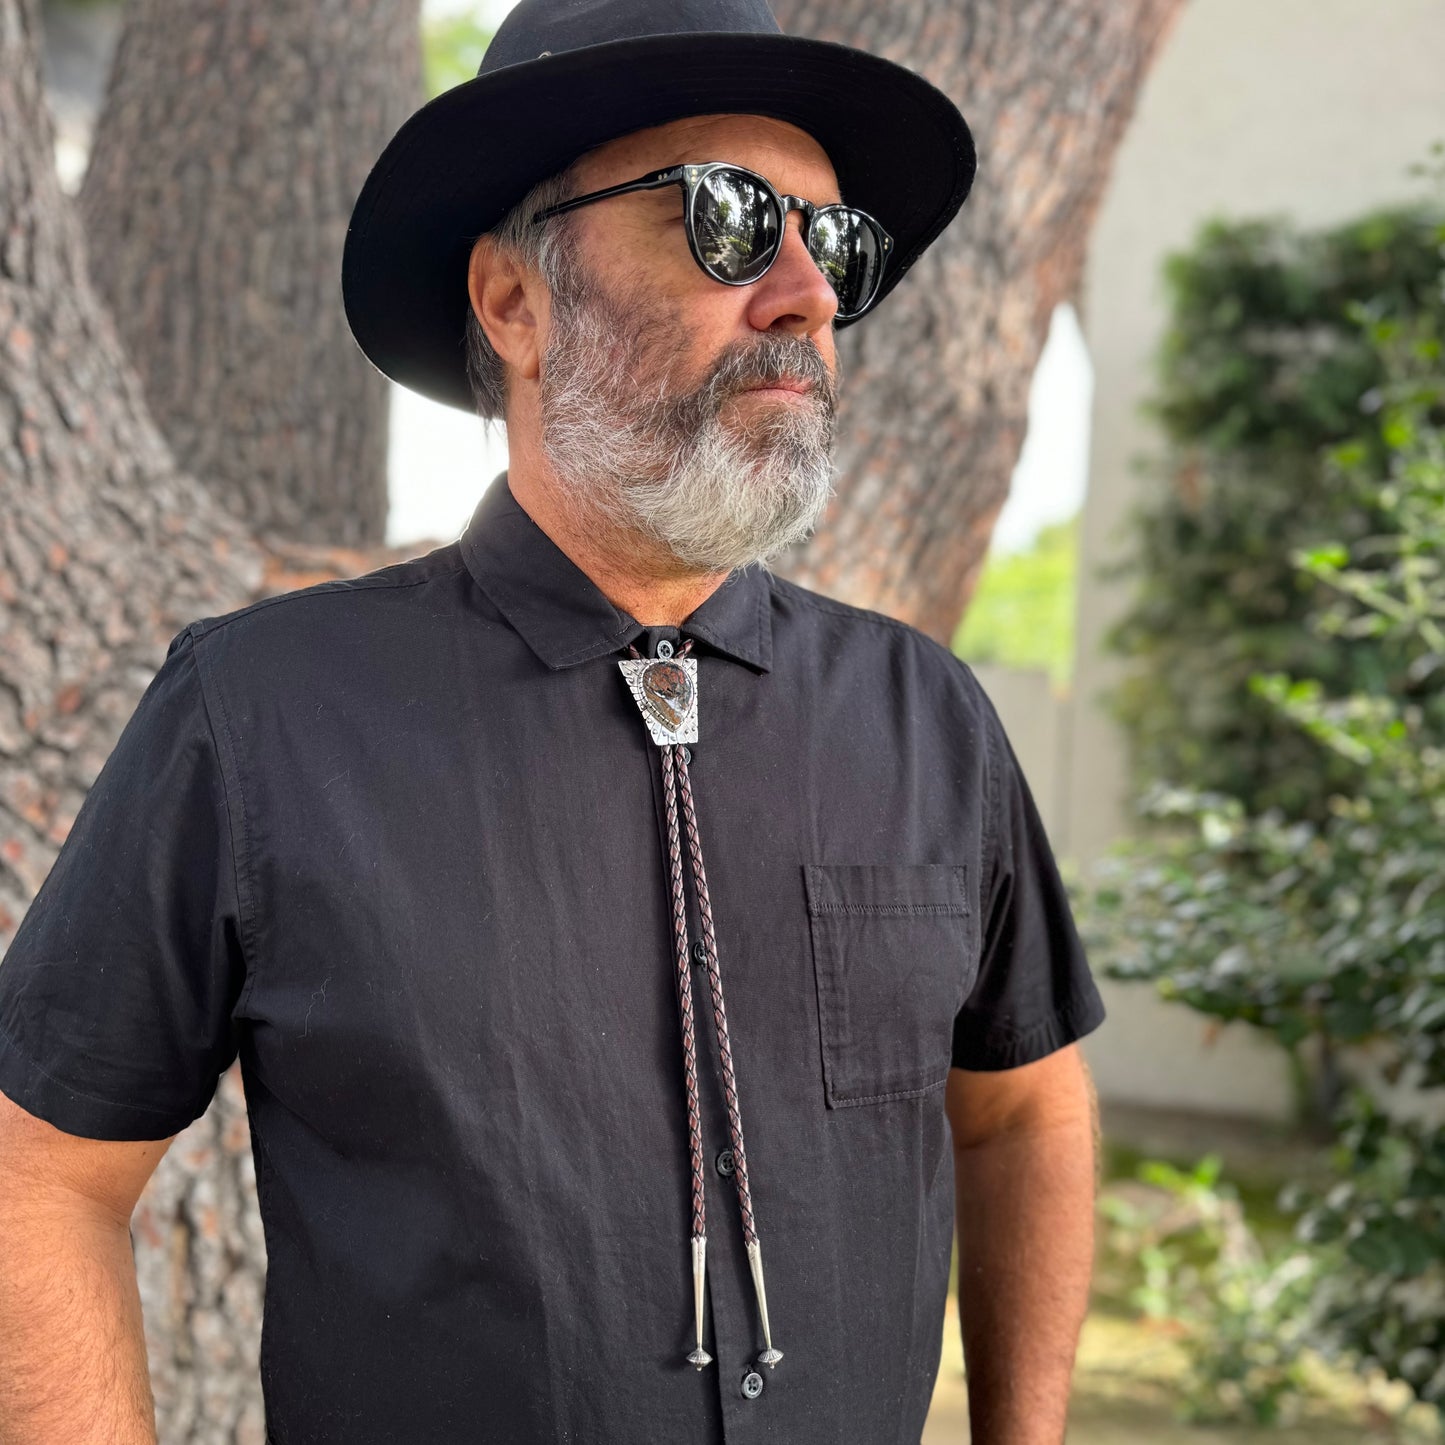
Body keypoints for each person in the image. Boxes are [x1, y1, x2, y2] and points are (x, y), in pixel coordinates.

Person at [0, 0, 1106, 1441]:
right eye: (726, 222)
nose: (806, 294)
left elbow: (1023, 1110)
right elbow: (39, 1172)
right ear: (515, 303)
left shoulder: (926, 718)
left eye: (832, 244)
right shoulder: (260, 714)